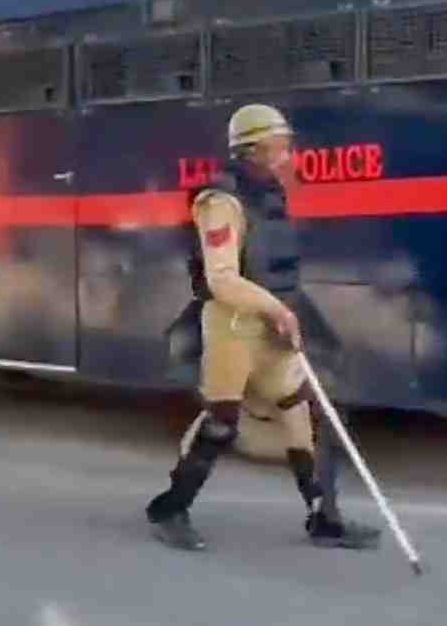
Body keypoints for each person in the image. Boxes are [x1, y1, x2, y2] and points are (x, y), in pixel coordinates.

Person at [146, 103, 381, 552]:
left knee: (304, 413)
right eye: (280, 146)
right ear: (253, 149)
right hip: (234, 324)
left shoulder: (270, 194)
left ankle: (324, 518)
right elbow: (222, 279)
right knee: (221, 422)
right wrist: (278, 310)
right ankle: (170, 509)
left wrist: (286, 310)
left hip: (273, 321)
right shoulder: (220, 202)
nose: (288, 155)